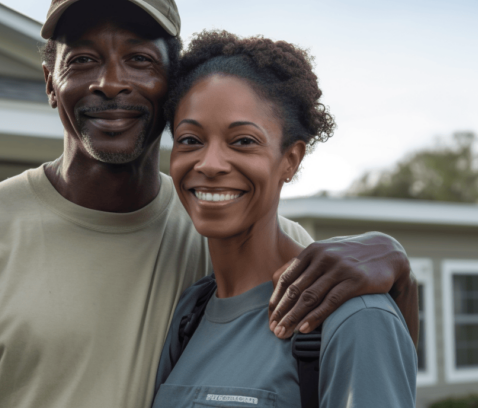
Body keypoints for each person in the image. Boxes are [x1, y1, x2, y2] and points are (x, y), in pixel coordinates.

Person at [0, 1, 418, 407]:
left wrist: (395, 264)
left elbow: (369, 349)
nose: (110, 82)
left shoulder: (234, 233)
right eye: (83, 59)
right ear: (50, 81)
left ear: (171, 85)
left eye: (138, 59)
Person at [153, 31, 417, 408]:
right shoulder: (190, 315)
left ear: (290, 160)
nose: (209, 164)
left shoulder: (352, 316)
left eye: (243, 141)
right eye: (190, 140)